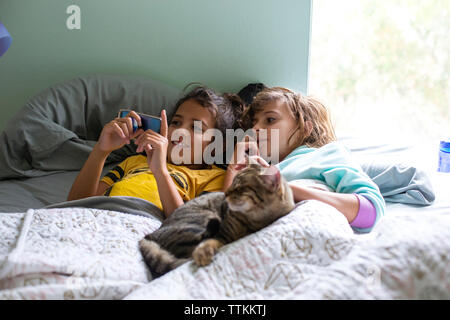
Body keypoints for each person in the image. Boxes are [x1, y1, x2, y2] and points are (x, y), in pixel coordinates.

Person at [225, 87, 385, 233]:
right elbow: (225, 221)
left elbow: (370, 211)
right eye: (253, 124)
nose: (255, 129)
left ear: (304, 129)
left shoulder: (326, 154)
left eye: (270, 119)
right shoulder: (257, 171)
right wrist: (233, 168)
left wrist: (285, 189)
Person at [67, 85, 243, 218]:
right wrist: (101, 151)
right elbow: (74, 206)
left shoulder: (215, 178)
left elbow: (189, 228)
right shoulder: (135, 161)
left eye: (196, 128)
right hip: (98, 218)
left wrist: (161, 172)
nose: (180, 131)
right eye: (176, 122)